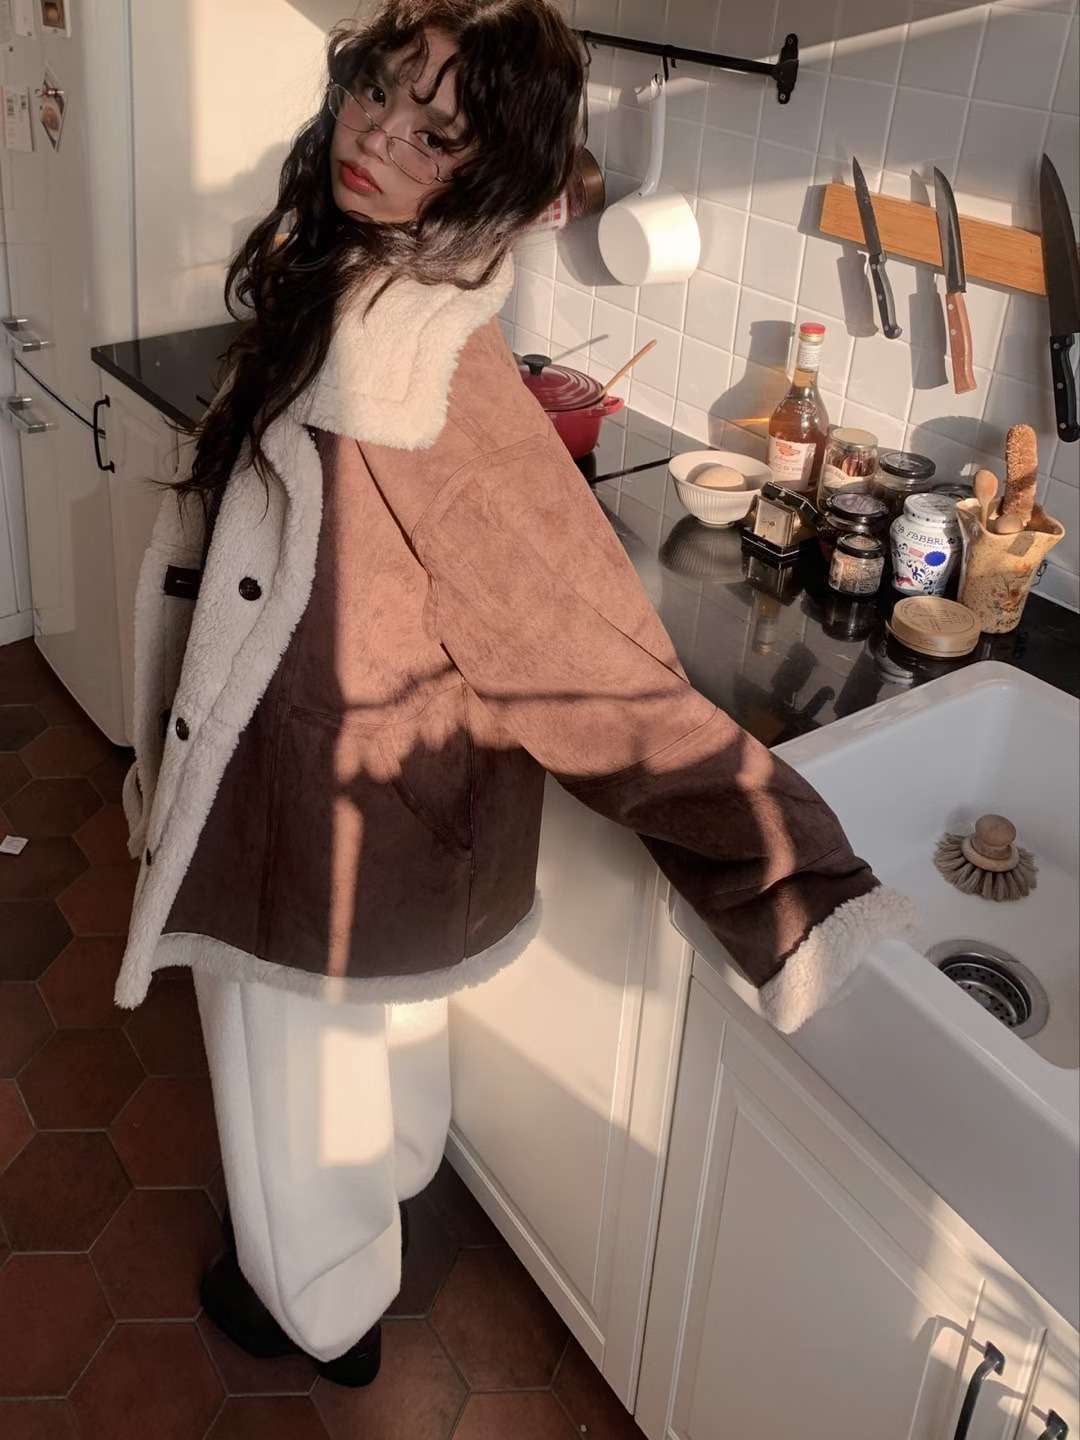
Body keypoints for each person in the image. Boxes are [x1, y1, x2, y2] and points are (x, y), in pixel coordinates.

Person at [115, 0, 914, 1390]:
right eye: (378, 90)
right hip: (359, 779)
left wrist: (786, 868)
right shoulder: (373, 277)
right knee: (355, 1038)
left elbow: (576, 650)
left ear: (494, 179)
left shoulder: (415, 363)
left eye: (436, 135)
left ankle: (316, 1307)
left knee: (286, 1065)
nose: (377, 134)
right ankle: (370, 1211)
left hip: (311, 797)